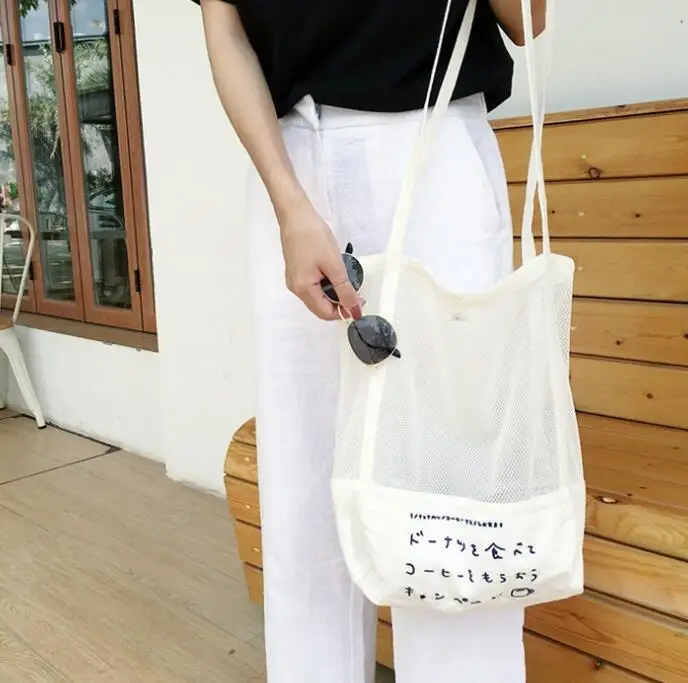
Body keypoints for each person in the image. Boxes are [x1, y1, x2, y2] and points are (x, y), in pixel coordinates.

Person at [193, 1, 546, 682]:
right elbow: (225, 28)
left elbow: (529, 20)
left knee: (452, 475)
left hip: (435, 141)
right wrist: (289, 204)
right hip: (293, 159)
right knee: (305, 469)